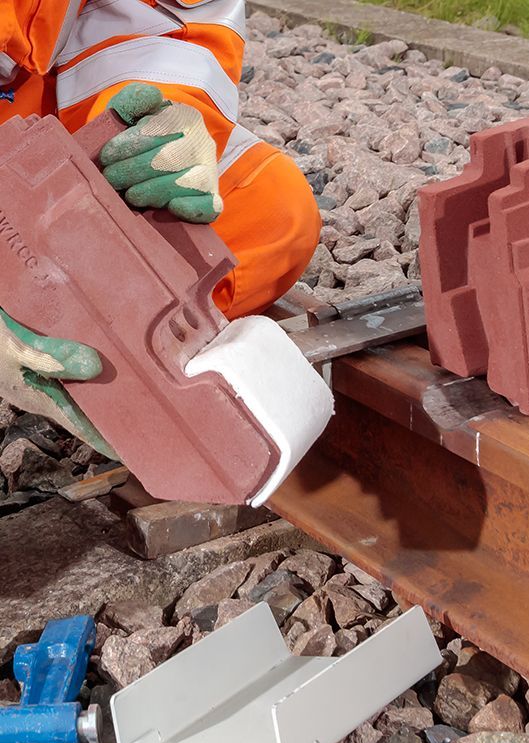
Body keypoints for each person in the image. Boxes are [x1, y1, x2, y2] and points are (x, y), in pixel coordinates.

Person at [0, 0, 321, 455]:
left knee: (270, 208)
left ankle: (88, 339)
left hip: (35, 132)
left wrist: (161, 114)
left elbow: (162, 27)